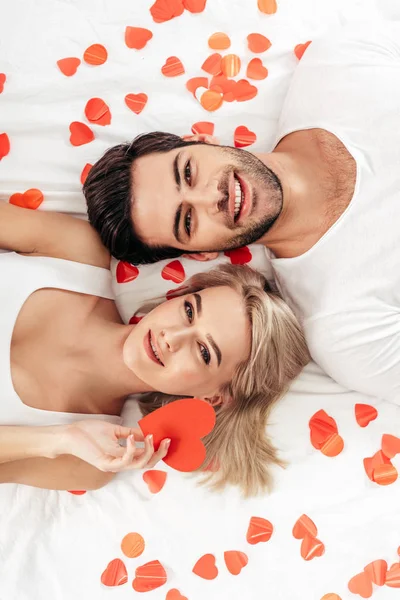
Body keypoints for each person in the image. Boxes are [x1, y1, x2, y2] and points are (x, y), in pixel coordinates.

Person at [84, 24, 400, 402]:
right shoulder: (344, 331)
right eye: (187, 221)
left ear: (200, 140)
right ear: (202, 254)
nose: (210, 197)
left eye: (187, 172)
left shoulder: (337, 65)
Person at [0, 201, 309, 495]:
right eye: (189, 311)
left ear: (213, 397)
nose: (172, 337)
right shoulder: (74, 252)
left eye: (204, 352)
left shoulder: (86, 463)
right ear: (179, 293)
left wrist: (57, 440)